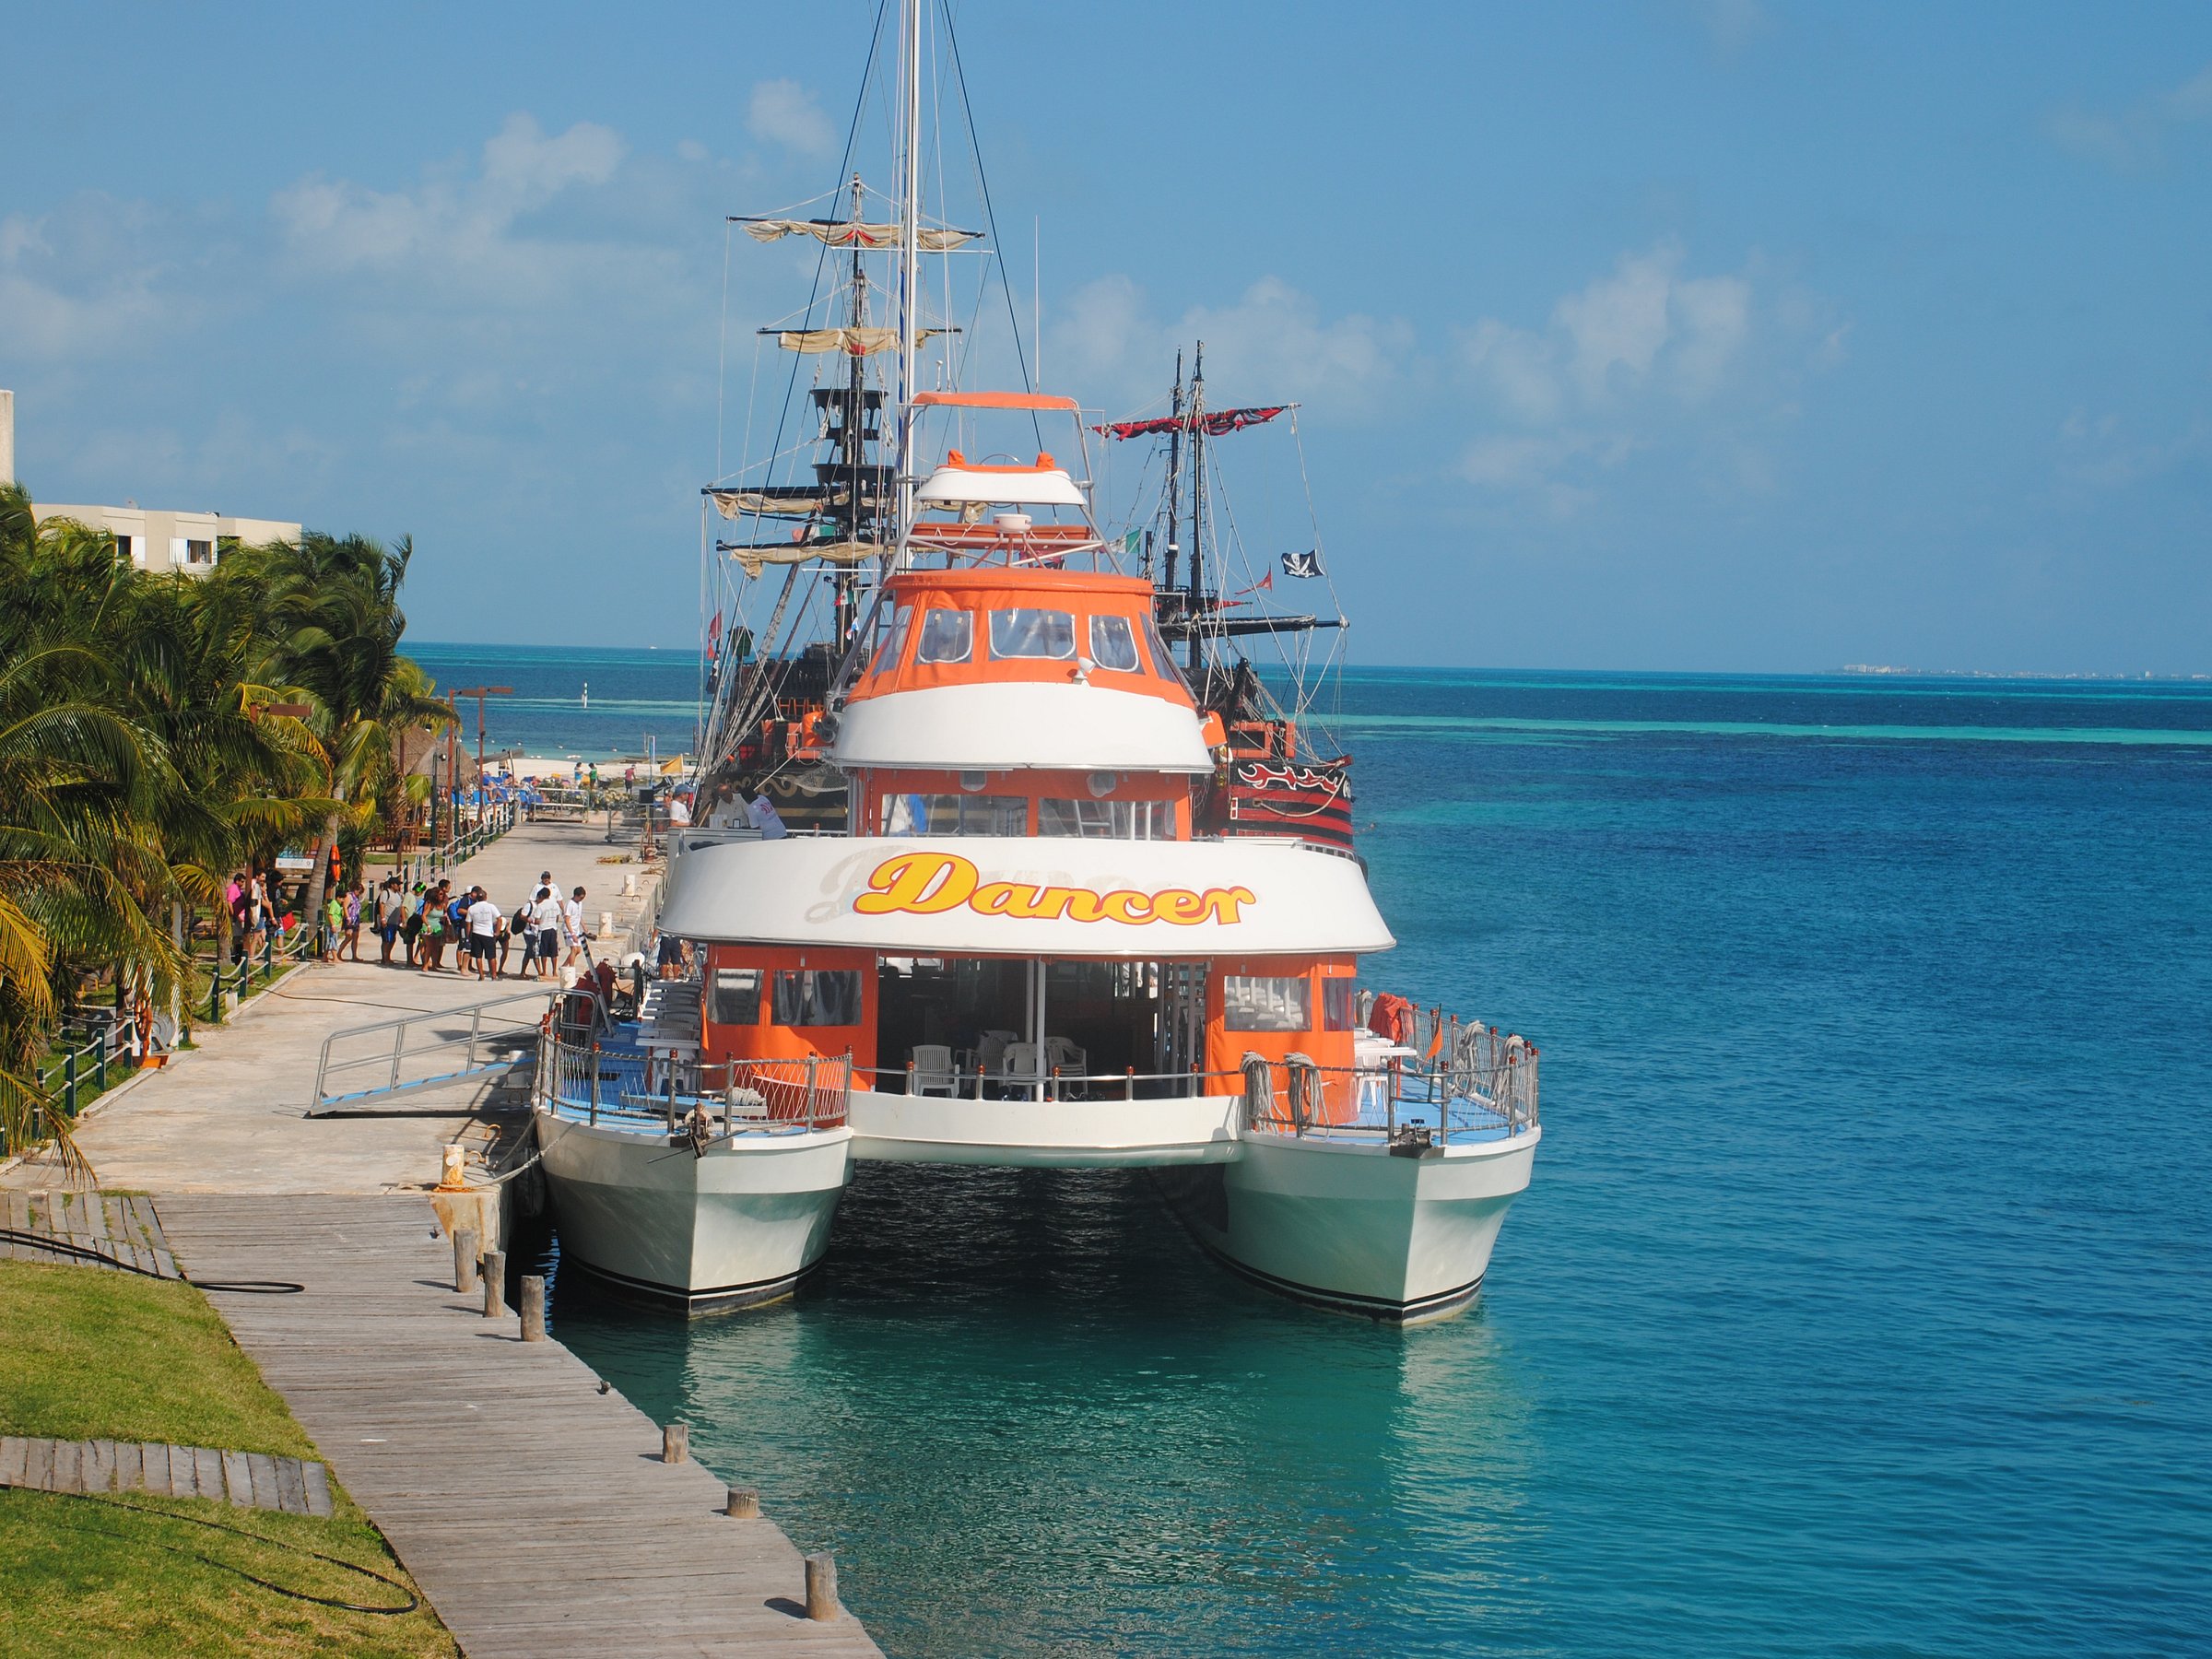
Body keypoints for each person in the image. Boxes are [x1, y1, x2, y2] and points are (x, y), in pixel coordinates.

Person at [465, 885, 502, 981]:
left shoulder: (472, 908)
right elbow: (499, 918)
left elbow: (468, 923)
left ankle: (481, 975)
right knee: (491, 956)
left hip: (476, 933)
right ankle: (494, 975)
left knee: (478, 956)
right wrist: (497, 931)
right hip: (488, 934)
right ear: (486, 897)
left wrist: (468, 935)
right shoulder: (490, 906)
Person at [530, 886, 562, 979]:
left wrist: (536, 921)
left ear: (541, 896)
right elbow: (557, 917)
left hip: (544, 930)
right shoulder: (555, 904)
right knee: (554, 952)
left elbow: (537, 920)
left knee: (543, 952)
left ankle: (544, 972)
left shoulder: (541, 906)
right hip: (553, 929)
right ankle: (554, 972)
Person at [377, 878, 406, 965]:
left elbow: (401, 907)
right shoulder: (386, 893)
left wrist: (403, 919)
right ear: (392, 885)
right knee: (386, 940)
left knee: (393, 939)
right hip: (387, 920)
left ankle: (388, 957)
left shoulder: (398, 894)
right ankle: (385, 959)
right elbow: (381, 906)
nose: (398, 886)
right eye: (397, 884)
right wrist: (383, 919)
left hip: (395, 921)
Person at [562, 886, 589, 970]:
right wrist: (572, 934)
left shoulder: (579, 903)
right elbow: (567, 920)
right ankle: (571, 968)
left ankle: (564, 966)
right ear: (576, 896)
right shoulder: (570, 904)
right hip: (568, 929)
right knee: (573, 949)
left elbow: (579, 915)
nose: (582, 899)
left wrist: (584, 926)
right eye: (581, 898)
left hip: (576, 929)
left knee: (578, 950)